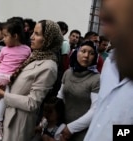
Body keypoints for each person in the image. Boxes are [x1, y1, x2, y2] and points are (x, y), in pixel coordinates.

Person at [0, 20, 63, 141]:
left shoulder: (49, 67)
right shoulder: (35, 57)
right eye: (33, 33)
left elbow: (32, 103)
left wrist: (3, 95)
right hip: (9, 114)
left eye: (37, 34)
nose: (32, 37)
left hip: (19, 122)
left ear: (49, 39)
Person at [84, 0, 133, 140]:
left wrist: (117, 133)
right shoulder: (111, 63)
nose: (105, 29)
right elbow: (102, 110)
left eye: (112, 19)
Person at [0, 20, 31, 141]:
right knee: (6, 96)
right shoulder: (4, 49)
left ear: (15, 36)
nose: (4, 39)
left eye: (6, 36)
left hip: (12, 78)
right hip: (2, 76)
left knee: (6, 97)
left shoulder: (27, 50)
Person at [57, 41, 100, 141]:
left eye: (91, 53)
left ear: (95, 57)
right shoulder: (68, 73)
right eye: (83, 51)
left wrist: (72, 128)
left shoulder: (97, 79)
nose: (86, 55)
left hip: (82, 131)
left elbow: (95, 109)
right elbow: (60, 97)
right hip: (62, 127)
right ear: (76, 52)